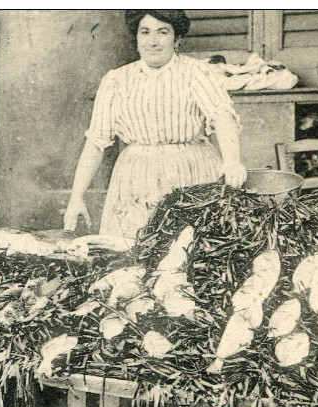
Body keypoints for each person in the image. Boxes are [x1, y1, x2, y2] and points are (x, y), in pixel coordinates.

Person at [64, 10, 246, 243]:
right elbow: (96, 142)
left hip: (192, 171)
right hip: (137, 178)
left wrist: (232, 162)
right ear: (137, 38)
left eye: (163, 32)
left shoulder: (196, 72)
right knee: (135, 254)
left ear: (176, 38)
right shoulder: (116, 80)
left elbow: (223, 116)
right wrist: (76, 197)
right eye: (145, 32)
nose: (153, 41)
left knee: (193, 251)